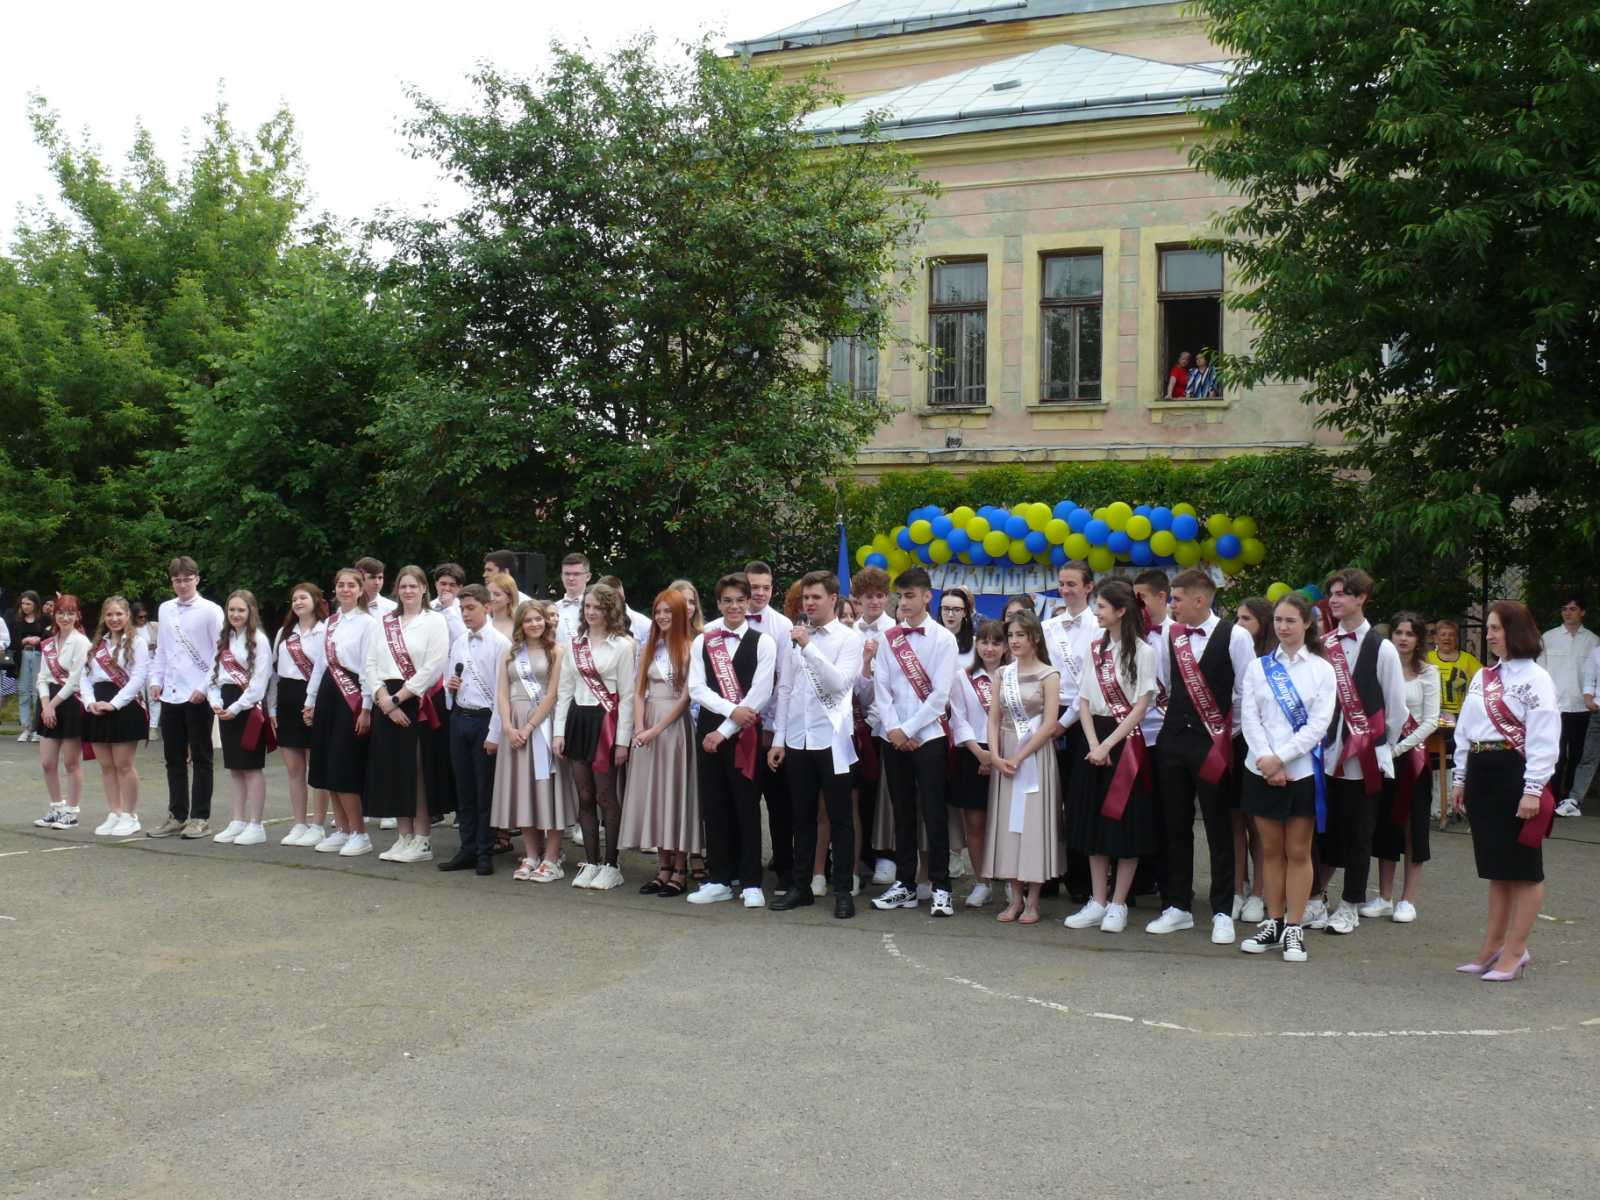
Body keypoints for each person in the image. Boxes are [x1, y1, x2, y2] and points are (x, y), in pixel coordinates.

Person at [1451, 601, 1557, 981]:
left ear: (1515, 631)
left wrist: (1533, 789)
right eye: (1489, 629)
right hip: (1482, 771)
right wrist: (1460, 778)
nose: (1490, 635)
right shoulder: (1483, 677)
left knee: (1524, 869)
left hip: (1516, 772)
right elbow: (1464, 730)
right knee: (1497, 868)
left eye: (1495, 628)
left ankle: (1515, 950)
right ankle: (1492, 946)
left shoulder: (1537, 678)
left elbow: (1544, 737)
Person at [1150, 568, 1254, 943]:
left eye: (1177, 599)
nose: (1172, 606)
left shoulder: (1236, 636)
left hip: (1216, 745)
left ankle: (1222, 910)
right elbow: (1166, 684)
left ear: (1200, 599)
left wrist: (1224, 734)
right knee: (1174, 825)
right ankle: (1177, 905)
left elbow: (1245, 691)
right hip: (1174, 742)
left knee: (1219, 828)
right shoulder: (1170, 635)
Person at [1237, 592, 1336, 963]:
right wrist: (1267, 760)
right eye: (1278, 620)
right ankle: (1274, 921)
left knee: (1297, 851)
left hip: (1300, 771)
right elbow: (1250, 717)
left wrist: (1281, 759)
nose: (1283, 627)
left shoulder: (1321, 670)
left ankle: (1295, 926)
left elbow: (1318, 725)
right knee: (1270, 850)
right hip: (1260, 769)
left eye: (1291, 620)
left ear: (1307, 623)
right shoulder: (1258, 667)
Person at [1316, 568, 1408, 936]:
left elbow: (1396, 709)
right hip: (1325, 756)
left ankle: (1350, 904)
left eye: (1342, 593)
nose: (1334, 599)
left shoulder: (1382, 648)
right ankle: (1315, 898)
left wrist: (1377, 746)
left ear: (1361, 598)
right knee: (1323, 830)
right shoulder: (1323, 643)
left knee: (1359, 834)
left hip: (1363, 760)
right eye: (1332, 593)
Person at [1064, 580, 1157, 933]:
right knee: (1093, 823)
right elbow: (1084, 700)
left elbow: (1141, 705)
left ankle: (1119, 904)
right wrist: (1093, 744)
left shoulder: (1144, 652)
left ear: (1121, 611)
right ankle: (1097, 900)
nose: (1097, 612)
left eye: (1102, 606)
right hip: (1094, 741)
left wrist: (1108, 746)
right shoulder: (1096, 648)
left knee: (1124, 824)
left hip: (1125, 742)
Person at [770, 571, 864, 918]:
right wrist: (778, 739)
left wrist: (809, 648)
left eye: (815, 597)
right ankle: (802, 886)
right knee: (802, 817)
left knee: (840, 818)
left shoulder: (848, 638)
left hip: (833, 740)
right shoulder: (794, 636)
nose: (809, 603)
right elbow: (785, 689)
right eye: (805, 598)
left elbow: (840, 684)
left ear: (833, 599)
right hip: (798, 738)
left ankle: (843, 891)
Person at [870, 566, 959, 917]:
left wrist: (908, 730)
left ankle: (941, 887)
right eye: (901, 596)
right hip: (893, 738)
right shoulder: (889, 638)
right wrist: (895, 729)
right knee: (902, 812)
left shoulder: (944, 639)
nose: (904, 602)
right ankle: (905, 884)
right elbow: (882, 689)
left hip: (929, 737)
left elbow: (940, 696)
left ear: (926, 596)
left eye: (910, 596)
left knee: (934, 813)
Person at [686, 573, 776, 908]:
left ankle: (751, 882)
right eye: (728, 601)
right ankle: (719, 879)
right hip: (710, 730)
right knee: (714, 806)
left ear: (748, 602)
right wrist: (730, 712)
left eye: (740, 600)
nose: (734, 606)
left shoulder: (764, 642)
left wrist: (726, 729)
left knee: (747, 806)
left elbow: (761, 693)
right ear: (718, 603)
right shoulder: (704, 641)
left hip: (743, 735)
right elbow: (696, 688)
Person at [553, 582, 636, 889]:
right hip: (578, 721)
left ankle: (612, 865)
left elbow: (628, 696)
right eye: (587, 606)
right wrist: (559, 732)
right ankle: (591, 861)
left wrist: (622, 741)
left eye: (598, 607)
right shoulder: (575, 644)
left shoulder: (623, 646)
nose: (591, 612)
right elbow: (564, 690)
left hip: (606, 723)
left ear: (610, 610)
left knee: (606, 796)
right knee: (585, 795)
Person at [366, 566, 451, 864]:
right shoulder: (386, 622)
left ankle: (422, 839)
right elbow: (371, 663)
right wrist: (382, 699)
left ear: (424, 588)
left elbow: (434, 665)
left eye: (414, 586)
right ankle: (403, 837)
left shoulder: (435, 621)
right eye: (403, 586)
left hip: (417, 700)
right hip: (386, 701)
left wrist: (397, 699)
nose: (408, 591)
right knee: (394, 770)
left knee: (417, 771)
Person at [983, 610, 1063, 924]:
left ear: (1035, 638)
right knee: (1009, 825)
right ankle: (1015, 898)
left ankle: (1033, 901)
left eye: (1020, 635)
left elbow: (1050, 724)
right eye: (1011, 635)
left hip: (1035, 756)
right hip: (1005, 752)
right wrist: (995, 754)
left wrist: (1020, 756)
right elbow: (993, 718)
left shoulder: (1049, 675)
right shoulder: (1003, 674)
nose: (1014, 641)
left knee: (1032, 824)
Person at [1364, 611, 1440, 923]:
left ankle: (1408, 900)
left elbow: (1431, 721)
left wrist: (1397, 749)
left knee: (1413, 828)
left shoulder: (1429, 673)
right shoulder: (1381, 668)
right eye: (1399, 633)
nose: (1404, 639)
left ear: (1419, 639)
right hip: (1381, 757)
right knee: (1386, 825)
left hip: (1412, 759)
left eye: (1410, 633)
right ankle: (1384, 897)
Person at [623, 589, 699, 895]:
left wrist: (655, 730)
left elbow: (685, 698)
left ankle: (680, 869)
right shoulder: (649, 647)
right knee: (654, 795)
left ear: (680, 613)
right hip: (648, 726)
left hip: (674, 728)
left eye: (668, 611)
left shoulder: (692, 647)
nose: (662, 616)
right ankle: (662, 867)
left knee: (674, 795)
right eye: (658, 611)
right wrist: (641, 726)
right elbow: (638, 691)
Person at [147, 556, 225, 840]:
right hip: (171, 693)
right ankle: (177, 815)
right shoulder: (166, 609)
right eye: (177, 580)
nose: (182, 585)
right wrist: (156, 680)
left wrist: (204, 687)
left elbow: (220, 653)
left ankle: (200, 817)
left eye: (187, 579)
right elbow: (163, 650)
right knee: (174, 758)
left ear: (197, 579)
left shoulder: (211, 611)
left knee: (202, 757)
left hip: (197, 694)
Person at [305, 568, 378, 857]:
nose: (345, 589)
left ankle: (360, 833)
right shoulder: (330, 622)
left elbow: (369, 666)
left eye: (351, 585)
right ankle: (343, 830)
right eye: (341, 585)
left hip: (352, 697)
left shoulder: (368, 624)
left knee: (344, 765)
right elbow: (320, 664)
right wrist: (310, 700)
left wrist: (367, 707)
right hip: (328, 693)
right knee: (327, 766)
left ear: (360, 590)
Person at [495, 600, 568, 882]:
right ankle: (531, 854)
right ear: (520, 625)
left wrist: (528, 728)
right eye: (528, 620)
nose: (535, 624)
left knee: (548, 790)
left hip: (543, 724)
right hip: (514, 724)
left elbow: (552, 694)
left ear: (546, 621)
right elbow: (502, 693)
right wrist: (507, 726)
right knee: (523, 789)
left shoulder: (557, 651)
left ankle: (552, 856)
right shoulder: (510, 652)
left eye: (539, 619)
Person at [439, 585, 510, 875]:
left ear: (487, 607)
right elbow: (449, 679)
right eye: (462, 609)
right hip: (460, 717)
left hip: (485, 720)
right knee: (464, 787)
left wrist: (495, 733)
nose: (466, 614)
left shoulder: (500, 643)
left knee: (484, 789)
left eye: (471, 608)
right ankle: (466, 848)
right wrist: (450, 687)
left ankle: (484, 851)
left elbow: (502, 693)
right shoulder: (459, 642)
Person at [1041, 561, 1098, 903]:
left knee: (1078, 801)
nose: (1065, 590)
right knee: (1047, 798)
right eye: (1061, 584)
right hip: (1048, 714)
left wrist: (1065, 722)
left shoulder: (1099, 627)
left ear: (1089, 587)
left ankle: (1079, 879)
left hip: (1082, 719)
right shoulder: (1048, 627)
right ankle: (1047, 873)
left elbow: (1091, 683)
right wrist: (1049, 719)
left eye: (1072, 584)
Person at [206, 590, 275, 846]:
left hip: (248, 707)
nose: (235, 614)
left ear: (251, 612)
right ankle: (237, 820)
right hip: (226, 704)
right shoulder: (224, 639)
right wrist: (215, 701)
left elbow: (259, 683)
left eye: (241, 610)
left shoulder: (259, 640)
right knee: (235, 767)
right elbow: (212, 677)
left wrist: (235, 708)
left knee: (251, 767)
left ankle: (256, 824)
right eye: (232, 610)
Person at [743, 561, 795, 894]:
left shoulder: (783, 625)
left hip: (770, 727)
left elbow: (785, 682)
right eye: (754, 587)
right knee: (742, 802)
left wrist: (778, 731)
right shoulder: (725, 625)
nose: (760, 593)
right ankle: (743, 867)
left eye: (766, 587)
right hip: (737, 726)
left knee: (779, 806)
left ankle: (784, 869)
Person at [80, 595, 149, 836]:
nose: (114, 618)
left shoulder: (137, 643)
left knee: (123, 764)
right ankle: (115, 812)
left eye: (119, 614)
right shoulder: (97, 645)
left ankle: (131, 815)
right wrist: (90, 702)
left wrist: (114, 704)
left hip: (124, 706)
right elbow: (84, 677)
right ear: (103, 617)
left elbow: (138, 678)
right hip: (97, 706)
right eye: (109, 614)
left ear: (128, 616)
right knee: (106, 766)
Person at [949, 619, 1006, 907]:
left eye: (996, 642)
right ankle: (982, 882)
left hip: (1008, 754)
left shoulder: (1015, 676)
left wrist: (996, 755)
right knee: (975, 821)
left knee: (1007, 822)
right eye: (984, 642)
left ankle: (1010, 880)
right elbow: (958, 718)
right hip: (973, 752)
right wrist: (980, 753)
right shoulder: (963, 677)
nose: (989, 648)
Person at [270, 582, 330, 847]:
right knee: (294, 768)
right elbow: (273, 673)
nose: (298, 602)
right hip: (286, 698)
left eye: (303, 597)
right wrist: (271, 707)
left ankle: (318, 824)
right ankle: (299, 823)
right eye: (294, 599)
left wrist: (314, 702)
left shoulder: (325, 630)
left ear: (315, 600)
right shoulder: (285, 633)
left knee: (317, 766)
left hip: (314, 699)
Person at [1228, 596, 1276, 923]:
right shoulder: (1231, 647)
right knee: (1234, 819)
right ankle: (1237, 887)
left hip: (1262, 746)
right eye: (1237, 618)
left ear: (1263, 623)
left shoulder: (1273, 660)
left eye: (1246, 619)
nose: (1239, 625)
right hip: (1232, 739)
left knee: (1258, 824)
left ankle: (1259, 892)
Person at [850, 565, 896, 887]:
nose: (875, 602)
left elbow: (896, 686)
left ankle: (887, 855)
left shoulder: (896, 631)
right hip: (856, 725)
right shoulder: (849, 633)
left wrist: (875, 720)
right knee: (859, 793)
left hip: (885, 725)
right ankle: (862, 854)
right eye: (868, 596)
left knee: (886, 794)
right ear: (858, 599)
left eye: (880, 595)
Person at [33, 596, 89, 831]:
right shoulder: (48, 643)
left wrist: (51, 706)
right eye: (61, 613)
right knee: (47, 762)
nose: (65, 617)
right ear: (54, 614)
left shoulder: (81, 642)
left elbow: (75, 681)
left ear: (77, 616)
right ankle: (56, 806)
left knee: (71, 762)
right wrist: (46, 705)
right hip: (49, 701)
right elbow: (42, 678)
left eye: (70, 613)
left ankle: (72, 811)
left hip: (70, 702)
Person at [1537, 594, 1597, 806]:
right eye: (1564, 609)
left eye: (1573, 609)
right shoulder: (1548, 638)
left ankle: (1569, 799)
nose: (1568, 613)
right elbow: (1540, 671)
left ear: (1583, 612)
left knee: (1578, 755)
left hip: (1583, 707)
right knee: (1556, 754)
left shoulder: (1593, 641)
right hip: (1556, 707)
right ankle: (1552, 798)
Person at [1559, 641, 1600, 816]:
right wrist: (1588, 699)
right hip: (1598, 713)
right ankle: (1574, 801)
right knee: (1588, 758)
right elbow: (1589, 681)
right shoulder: (1596, 653)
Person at [10, 591, 48, 742]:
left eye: (28, 604)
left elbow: (50, 637)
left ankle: (37, 728)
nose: (25, 606)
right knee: (24, 691)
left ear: (36, 605)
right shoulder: (17, 620)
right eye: (23, 603)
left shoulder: (44, 619)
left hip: (39, 656)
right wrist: (24, 641)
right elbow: (12, 642)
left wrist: (39, 640)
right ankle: (26, 728)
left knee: (38, 691)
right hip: (23, 656)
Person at [554, 553, 592, 643]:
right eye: (567, 574)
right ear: (561, 576)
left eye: (576, 574)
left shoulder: (596, 608)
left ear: (588, 577)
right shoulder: (553, 608)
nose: (571, 578)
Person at [940, 586, 976, 672]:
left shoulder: (976, 644)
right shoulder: (930, 639)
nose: (950, 614)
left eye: (956, 609)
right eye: (946, 609)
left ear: (964, 612)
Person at [487, 573, 519, 642]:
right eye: (488, 593)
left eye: (497, 594)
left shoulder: (518, 627)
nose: (491, 598)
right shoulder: (482, 623)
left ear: (510, 598)